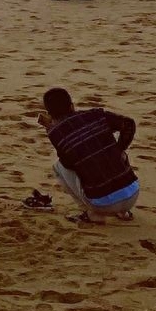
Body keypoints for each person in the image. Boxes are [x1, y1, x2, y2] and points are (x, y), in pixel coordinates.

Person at [39, 87, 139, 222]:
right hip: (132, 194)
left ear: (50, 114)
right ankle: (123, 212)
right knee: (113, 156)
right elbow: (129, 123)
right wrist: (120, 149)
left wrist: (51, 129)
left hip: (102, 205)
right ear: (72, 106)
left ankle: (90, 213)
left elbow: (68, 164)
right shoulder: (97, 115)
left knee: (58, 167)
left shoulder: (56, 134)